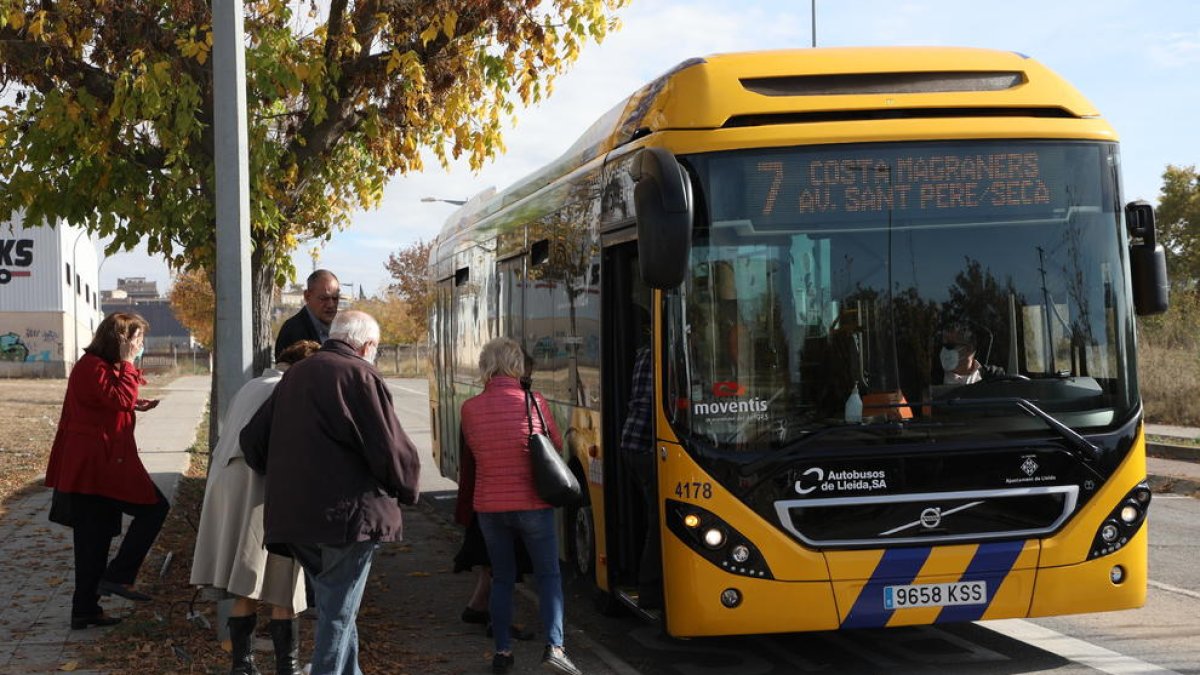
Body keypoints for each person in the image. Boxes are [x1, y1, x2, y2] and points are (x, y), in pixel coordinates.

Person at [243, 310, 420, 675]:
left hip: (294, 517)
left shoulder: (295, 375)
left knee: (337, 608)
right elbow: (389, 447)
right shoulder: (359, 374)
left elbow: (252, 442)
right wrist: (406, 487)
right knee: (338, 613)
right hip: (346, 516)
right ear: (367, 345)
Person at [190, 339, 321, 675]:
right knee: (283, 580)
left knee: (243, 578)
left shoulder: (254, 385)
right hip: (260, 484)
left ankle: (242, 664)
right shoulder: (289, 388)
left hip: (226, 482)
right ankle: (286, 667)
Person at [460, 337, 582, 675]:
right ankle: (555, 648)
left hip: (490, 507)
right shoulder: (535, 403)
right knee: (548, 576)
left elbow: (475, 450)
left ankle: (502, 652)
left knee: (502, 578)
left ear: (486, 365)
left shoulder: (469, 408)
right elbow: (554, 446)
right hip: (532, 504)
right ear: (517, 365)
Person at [44, 312, 170, 630]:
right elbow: (117, 396)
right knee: (153, 509)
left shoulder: (101, 367)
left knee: (95, 538)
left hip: (103, 463)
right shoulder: (92, 366)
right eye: (137, 339)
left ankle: (85, 609)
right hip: (96, 466)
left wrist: (134, 402)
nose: (140, 345)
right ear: (121, 340)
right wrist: (128, 366)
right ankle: (117, 576)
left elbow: (113, 401)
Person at [619, 335, 662, 610]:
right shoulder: (659, 355)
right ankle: (651, 592)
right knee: (661, 521)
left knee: (656, 518)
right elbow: (650, 403)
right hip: (645, 447)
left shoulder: (648, 352)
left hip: (635, 444)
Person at [274, 269, 340, 360]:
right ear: (307, 296)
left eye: (335, 298)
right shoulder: (292, 331)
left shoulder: (343, 329)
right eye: (324, 298)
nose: (331, 305)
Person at [939, 326, 1005, 384]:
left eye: (949, 346)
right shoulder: (933, 378)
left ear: (969, 348)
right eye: (943, 345)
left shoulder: (994, 377)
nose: (944, 350)